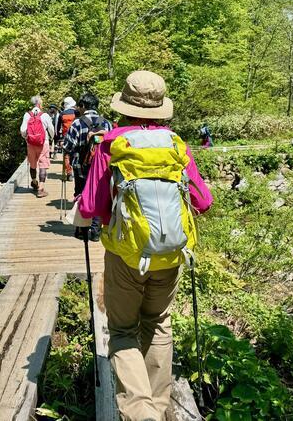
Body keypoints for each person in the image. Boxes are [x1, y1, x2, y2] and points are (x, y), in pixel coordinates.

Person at [78, 70, 213, 420]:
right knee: (158, 323)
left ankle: (141, 414)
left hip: (125, 255)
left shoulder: (111, 144)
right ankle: (160, 405)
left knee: (122, 329)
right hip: (170, 255)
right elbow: (204, 201)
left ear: (124, 106)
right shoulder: (176, 146)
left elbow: (91, 206)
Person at [63, 93, 112, 241]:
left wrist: (67, 160)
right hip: (101, 168)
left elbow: (68, 146)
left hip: (81, 166)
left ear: (84, 106)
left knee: (81, 194)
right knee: (99, 195)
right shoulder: (106, 123)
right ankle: (96, 232)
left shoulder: (77, 124)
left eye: (79, 105)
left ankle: (82, 230)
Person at [19, 95, 55, 198]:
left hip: (30, 143)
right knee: (43, 164)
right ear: (39, 104)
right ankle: (41, 189)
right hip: (43, 142)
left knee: (33, 163)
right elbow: (51, 130)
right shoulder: (45, 115)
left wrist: (27, 138)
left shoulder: (27, 115)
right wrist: (51, 138)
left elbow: (22, 130)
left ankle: (34, 182)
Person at [58, 96, 78, 181]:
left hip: (65, 136)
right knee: (75, 154)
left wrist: (58, 139)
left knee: (66, 155)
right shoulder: (76, 113)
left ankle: (69, 172)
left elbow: (58, 127)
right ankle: (76, 170)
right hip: (75, 135)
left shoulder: (62, 114)